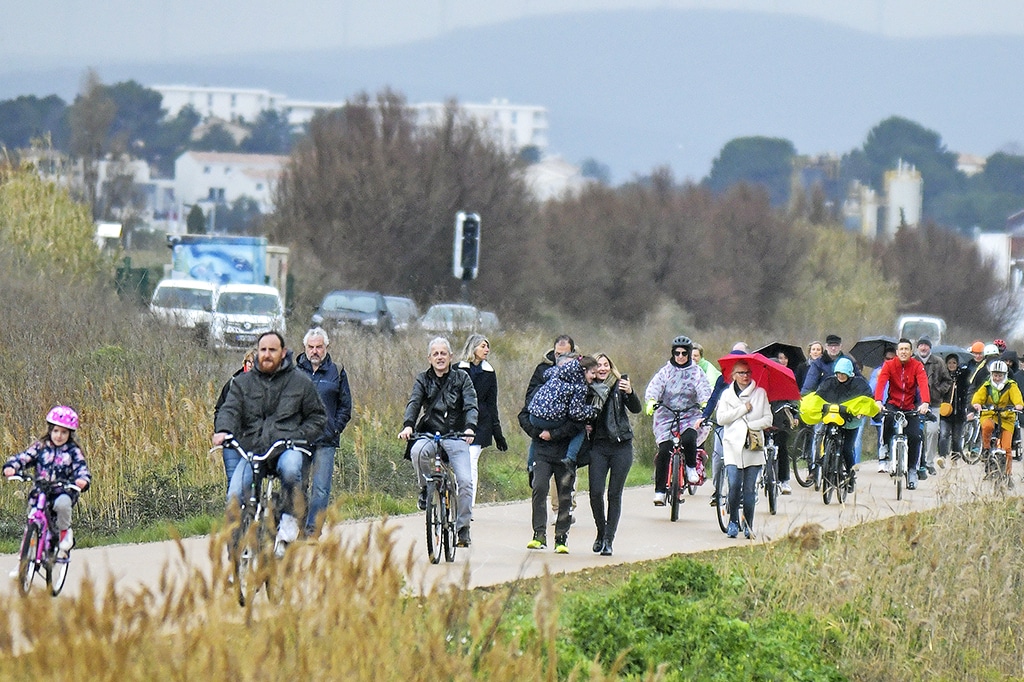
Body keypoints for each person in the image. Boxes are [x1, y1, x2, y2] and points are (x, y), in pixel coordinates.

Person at [213, 331, 326, 557]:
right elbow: (229, 409)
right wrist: (223, 430)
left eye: (272, 350)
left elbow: (318, 417)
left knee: (292, 469)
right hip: (253, 449)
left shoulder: (300, 382)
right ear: (257, 352)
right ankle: (236, 552)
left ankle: (289, 521)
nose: (267, 354)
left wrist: (299, 435)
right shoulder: (242, 383)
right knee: (234, 495)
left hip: (286, 446)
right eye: (263, 350)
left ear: (283, 353)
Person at [398, 337, 478, 547]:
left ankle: (463, 528)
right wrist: (408, 425)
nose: (440, 357)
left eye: (443, 353)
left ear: (451, 356)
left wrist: (470, 427)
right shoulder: (423, 379)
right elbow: (414, 402)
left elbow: (471, 404)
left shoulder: (462, 378)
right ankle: (426, 488)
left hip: (456, 435)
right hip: (429, 434)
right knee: (417, 452)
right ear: (429, 358)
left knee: (465, 482)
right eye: (436, 354)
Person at [3, 406, 91, 557]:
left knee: (62, 505)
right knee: (32, 515)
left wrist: (82, 480)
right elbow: (25, 457)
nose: (59, 436)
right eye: (56, 431)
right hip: (41, 490)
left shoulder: (73, 451)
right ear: (50, 430)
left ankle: (64, 533)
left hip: (62, 490)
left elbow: (81, 468)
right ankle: (25, 557)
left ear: (70, 434)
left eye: (64, 432)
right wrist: (11, 466)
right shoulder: (41, 447)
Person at [295, 327, 352, 538]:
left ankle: (313, 531)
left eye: (319, 347)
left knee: (320, 488)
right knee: (298, 485)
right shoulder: (294, 372)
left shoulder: (337, 371)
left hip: (326, 440)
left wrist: (335, 429)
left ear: (326, 347)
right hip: (300, 439)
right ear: (305, 347)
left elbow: (345, 406)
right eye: (311, 347)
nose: (315, 351)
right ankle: (299, 528)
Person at [645, 335, 712, 504]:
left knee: (689, 437)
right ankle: (660, 491)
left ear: (689, 354)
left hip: (690, 413)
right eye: (677, 353)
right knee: (664, 450)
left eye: (684, 353)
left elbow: (703, 388)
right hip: (667, 414)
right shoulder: (665, 371)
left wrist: (705, 403)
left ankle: (690, 467)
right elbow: (655, 386)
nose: (680, 357)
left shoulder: (696, 372)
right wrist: (651, 401)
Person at [586, 352, 640, 556]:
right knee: (595, 492)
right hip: (598, 447)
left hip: (621, 446)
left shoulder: (619, 385)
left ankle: (609, 540)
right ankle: (601, 531)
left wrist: (631, 392)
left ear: (611, 367)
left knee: (614, 494)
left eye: (605, 364)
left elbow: (636, 408)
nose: (602, 368)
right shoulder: (587, 387)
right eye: (598, 365)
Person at [800, 358, 879, 493]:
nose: (840, 376)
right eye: (838, 373)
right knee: (826, 440)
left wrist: (862, 412)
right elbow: (818, 396)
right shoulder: (829, 382)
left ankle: (850, 476)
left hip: (850, 422)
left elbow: (868, 401)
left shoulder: (859, 384)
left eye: (843, 374)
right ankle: (824, 461)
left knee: (847, 448)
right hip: (832, 419)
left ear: (849, 373)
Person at [716, 361, 772, 539]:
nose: (745, 376)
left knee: (749, 489)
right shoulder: (726, 395)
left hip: (752, 447)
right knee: (734, 485)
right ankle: (733, 521)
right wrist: (742, 409)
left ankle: (748, 524)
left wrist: (751, 426)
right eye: (741, 373)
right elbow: (721, 419)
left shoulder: (760, 393)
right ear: (733, 375)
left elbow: (768, 419)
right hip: (732, 446)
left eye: (748, 372)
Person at [456, 334, 508, 507]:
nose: (487, 350)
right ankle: (455, 500)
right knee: (458, 462)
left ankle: (467, 506)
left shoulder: (489, 373)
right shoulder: (457, 370)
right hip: (459, 422)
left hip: (481, 423)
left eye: (488, 346)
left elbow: (492, 404)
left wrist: (497, 433)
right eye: (483, 346)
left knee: (471, 461)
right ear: (473, 348)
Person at [874, 338, 930, 490]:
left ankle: (912, 471)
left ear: (911, 352)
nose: (904, 352)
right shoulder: (889, 365)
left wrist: (925, 402)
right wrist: (878, 400)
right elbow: (881, 382)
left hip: (910, 406)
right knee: (887, 420)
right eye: (901, 349)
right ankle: (885, 447)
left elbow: (923, 383)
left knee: (915, 437)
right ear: (897, 352)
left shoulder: (917, 366)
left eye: (906, 349)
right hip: (893, 403)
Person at [528, 355, 600, 466]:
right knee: (579, 426)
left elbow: (545, 374)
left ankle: (530, 464)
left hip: (533, 416)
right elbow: (575, 413)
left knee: (536, 438)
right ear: (584, 370)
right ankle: (570, 458)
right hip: (548, 420)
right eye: (593, 373)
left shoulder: (558, 372)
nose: (594, 377)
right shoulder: (580, 386)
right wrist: (592, 411)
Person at [971, 359, 1023, 484]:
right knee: (987, 426)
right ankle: (986, 448)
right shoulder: (986, 386)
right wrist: (977, 404)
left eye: (1000, 375)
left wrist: (1018, 405)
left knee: (1007, 447)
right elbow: (978, 397)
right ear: (991, 375)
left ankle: (1007, 474)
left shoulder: (1011, 385)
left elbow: (1017, 398)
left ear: (1005, 375)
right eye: (995, 375)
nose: (997, 378)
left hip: (1006, 416)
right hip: (990, 414)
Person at [213, 348, 257, 492]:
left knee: (250, 483)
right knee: (233, 484)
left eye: (254, 362)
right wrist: (222, 430)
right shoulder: (233, 383)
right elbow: (220, 409)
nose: (250, 365)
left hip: (253, 444)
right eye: (248, 362)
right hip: (232, 442)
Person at [915, 337, 951, 479]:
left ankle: (929, 462)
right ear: (917, 347)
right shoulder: (913, 361)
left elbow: (947, 380)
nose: (923, 348)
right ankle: (917, 462)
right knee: (917, 433)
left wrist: (938, 390)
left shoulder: (938, 362)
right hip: (916, 403)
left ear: (930, 347)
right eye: (921, 345)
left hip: (934, 403)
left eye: (926, 345)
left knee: (933, 431)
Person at [869, 346, 897, 472]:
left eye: (892, 358)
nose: (889, 361)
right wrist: (877, 379)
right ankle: (882, 461)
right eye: (887, 358)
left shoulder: (899, 371)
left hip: (895, 407)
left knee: (896, 434)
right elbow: (871, 390)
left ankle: (894, 460)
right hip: (881, 408)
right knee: (882, 435)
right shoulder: (877, 371)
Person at [940, 353, 969, 461]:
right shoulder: (942, 376)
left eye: (954, 363)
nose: (952, 365)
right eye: (949, 363)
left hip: (959, 412)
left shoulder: (963, 376)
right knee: (944, 434)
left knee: (957, 437)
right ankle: (942, 456)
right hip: (945, 411)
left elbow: (966, 391)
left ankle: (955, 459)